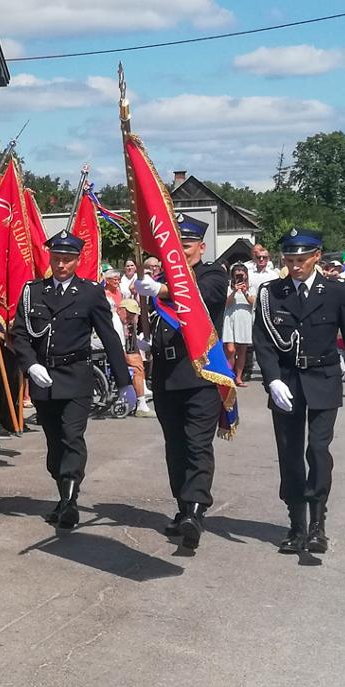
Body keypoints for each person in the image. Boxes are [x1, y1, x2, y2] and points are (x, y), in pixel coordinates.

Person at [253, 229, 345, 556]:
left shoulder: (336, 292)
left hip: (323, 377)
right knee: (290, 452)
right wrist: (272, 379)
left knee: (319, 451)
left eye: (301, 260)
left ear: (317, 257)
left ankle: (318, 523)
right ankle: (296, 524)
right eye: (289, 260)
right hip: (288, 382)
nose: (294, 267)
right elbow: (263, 342)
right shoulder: (271, 293)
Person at [8, 230, 133, 529]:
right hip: (44, 377)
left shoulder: (90, 293)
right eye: (56, 258)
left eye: (67, 260)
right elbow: (19, 334)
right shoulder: (33, 292)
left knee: (71, 436)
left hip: (76, 376)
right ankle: (63, 490)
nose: (61, 265)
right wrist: (30, 365)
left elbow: (109, 337)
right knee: (54, 442)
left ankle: (69, 501)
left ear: (78, 261)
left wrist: (125, 381)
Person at [132, 214, 227, 549]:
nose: (179, 253)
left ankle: (197, 508)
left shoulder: (213, 274)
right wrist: (147, 341)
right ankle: (184, 507)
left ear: (200, 247)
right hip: (167, 377)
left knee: (197, 444)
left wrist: (162, 288)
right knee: (175, 447)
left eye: (185, 246)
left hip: (200, 375)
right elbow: (160, 322)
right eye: (174, 247)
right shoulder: (159, 280)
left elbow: (197, 299)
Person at [224, 269, 253, 388]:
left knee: (242, 350)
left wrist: (245, 292)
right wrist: (234, 291)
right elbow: (226, 303)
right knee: (230, 350)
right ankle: (229, 375)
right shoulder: (228, 288)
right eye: (237, 273)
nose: (240, 275)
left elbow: (253, 302)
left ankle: (238, 377)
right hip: (230, 319)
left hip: (244, 319)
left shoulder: (251, 288)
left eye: (242, 273)